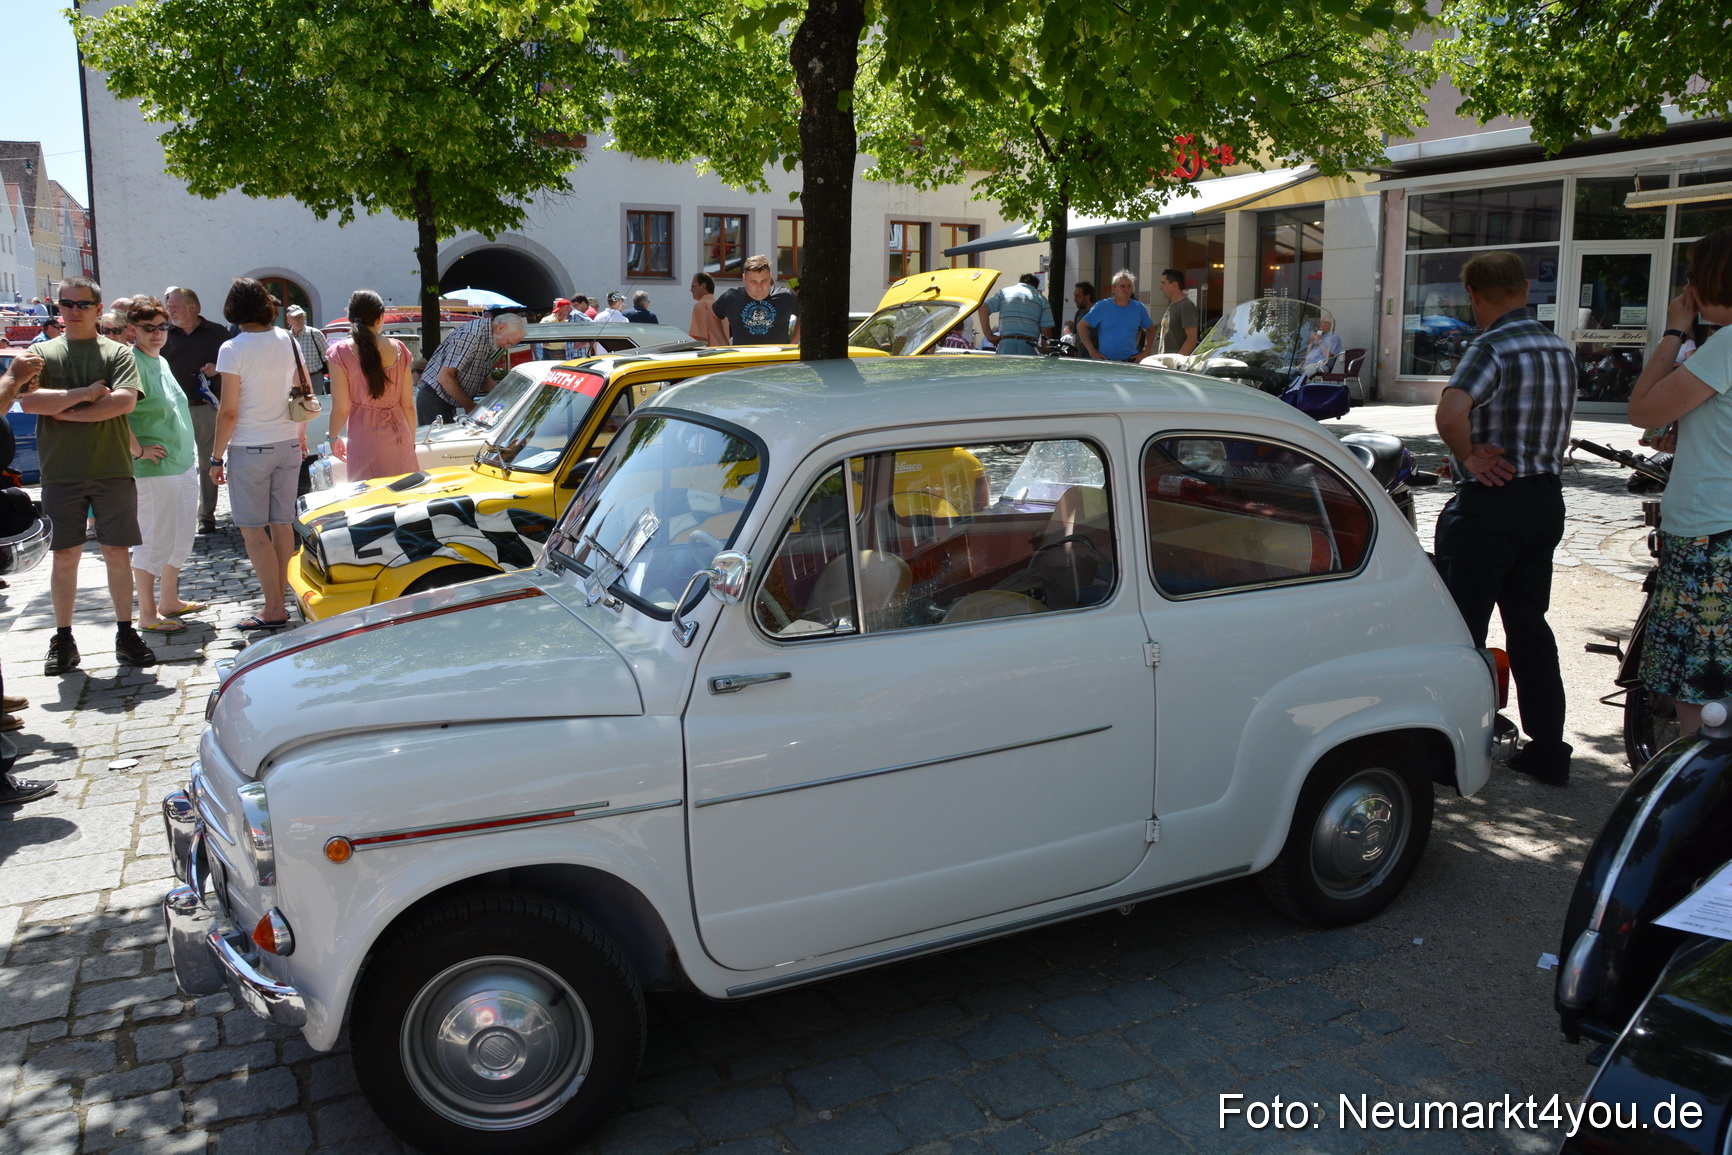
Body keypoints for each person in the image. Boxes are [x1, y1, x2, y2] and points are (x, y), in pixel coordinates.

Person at [1433, 250, 1575, 785]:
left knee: (1461, 628)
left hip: (1492, 502)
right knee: (1529, 625)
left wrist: (1468, 455)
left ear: (1474, 296)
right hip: (1545, 498)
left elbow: (1449, 413)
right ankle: (1547, 750)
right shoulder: (1558, 347)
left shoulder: (1489, 346)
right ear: (1521, 287)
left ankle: (1454, 750)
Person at [16, 276, 156, 674]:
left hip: (112, 467)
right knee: (65, 556)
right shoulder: (40, 352)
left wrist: (61, 410)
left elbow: (125, 402)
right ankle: (62, 637)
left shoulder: (118, 353)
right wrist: (87, 393)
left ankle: (126, 633)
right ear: (58, 308)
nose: (73, 311)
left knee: (116, 553)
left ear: (98, 309)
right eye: (66, 303)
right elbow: (29, 402)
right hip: (61, 471)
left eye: (82, 304)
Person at [1627, 227, 1732, 739]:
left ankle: (1703, 805)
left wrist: (1675, 331)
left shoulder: (1727, 345)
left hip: (1710, 535)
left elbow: (1641, 409)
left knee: (1702, 691)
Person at [210, 277, 308, 632]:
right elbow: (303, 389)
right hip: (287, 442)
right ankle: (282, 599)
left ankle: (272, 606)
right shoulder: (287, 339)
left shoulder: (232, 348)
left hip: (250, 447)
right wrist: (299, 434)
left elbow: (229, 411)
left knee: (253, 529)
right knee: (282, 526)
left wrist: (215, 457)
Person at [122, 296, 202, 635]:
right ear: (132, 330)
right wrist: (138, 451)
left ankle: (169, 600)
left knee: (182, 536)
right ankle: (147, 614)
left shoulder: (161, 361)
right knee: (153, 540)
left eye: (162, 326)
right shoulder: (131, 362)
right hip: (154, 471)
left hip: (183, 462)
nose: (157, 333)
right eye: (148, 328)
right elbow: (117, 414)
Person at [327, 289, 417, 483]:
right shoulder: (400, 349)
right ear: (380, 318)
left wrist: (333, 438)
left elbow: (341, 408)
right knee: (404, 503)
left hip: (363, 437)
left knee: (370, 503)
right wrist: (411, 442)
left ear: (350, 318)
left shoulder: (339, 352)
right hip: (399, 435)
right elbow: (408, 405)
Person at [163, 286, 230, 533]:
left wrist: (218, 367)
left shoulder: (217, 332)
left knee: (207, 462)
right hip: (173, 409)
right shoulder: (164, 333)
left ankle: (206, 516)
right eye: (169, 306)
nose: (171, 311)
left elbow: (235, 364)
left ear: (193, 308)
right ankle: (177, 513)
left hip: (207, 407)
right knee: (174, 462)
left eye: (176, 307)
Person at [414, 311, 526, 424]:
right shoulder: (472, 335)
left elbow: (486, 381)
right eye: (508, 342)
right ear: (501, 327)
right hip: (433, 398)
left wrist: (509, 400)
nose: (506, 348)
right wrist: (470, 406)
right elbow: (445, 377)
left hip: (443, 400)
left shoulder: (487, 338)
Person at [712, 254, 801, 344]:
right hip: (743, 357)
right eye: (753, 282)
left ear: (770, 277)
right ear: (744, 278)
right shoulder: (732, 297)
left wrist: (793, 343)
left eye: (764, 281)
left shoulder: (786, 296)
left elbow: (804, 314)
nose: (759, 286)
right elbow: (712, 315)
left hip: (778, 357)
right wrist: (724, 344)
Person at [1078, 270, 1152, 362]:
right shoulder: (1102, 306)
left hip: (1130, 362)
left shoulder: (1139, 308)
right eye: (1122, 286)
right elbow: (1081, 326)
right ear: (1113, 289)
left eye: (1129, 286)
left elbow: (1151, 329)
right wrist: (1092, 351)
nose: (1126, 290)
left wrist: (1144, 352)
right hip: (1106, 362)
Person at [975, 272, 1054, 355]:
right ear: (1036, 287)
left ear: (1020, 282)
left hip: (1006, 345)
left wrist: (989, 336)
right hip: (1028, 346)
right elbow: (1046, 330)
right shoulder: (1041, 300)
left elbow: (983, 309)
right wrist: (1047, 352)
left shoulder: (1004, 292)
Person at [1155, 268, 1200, 357]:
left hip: (1176, 366)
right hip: (1165, 364)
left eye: (1163, 283)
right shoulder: (1172, 306)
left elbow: (1192, 339)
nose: (1161, 287)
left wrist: (1176, 361)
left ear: (1174, 285)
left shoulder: (1186, 306)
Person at [287, 305, 330, 395]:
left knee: (316, 405)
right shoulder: (287, 337)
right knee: (298, 406)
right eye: (296, 317)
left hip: (315, 377)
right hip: (295, 379)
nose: (300, 320)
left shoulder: (315, 333)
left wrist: (332, 377)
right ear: (289, 320)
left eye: (301, 317)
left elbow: (327, 357)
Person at [688, 273, 722, 344]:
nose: (690, 289)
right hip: (724, 353)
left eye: (693, 286)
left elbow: (700, 338)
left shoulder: (700, 305)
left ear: (703, 286)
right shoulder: (720, 305)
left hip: (709, 353)